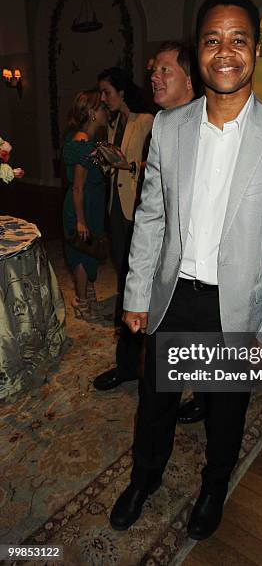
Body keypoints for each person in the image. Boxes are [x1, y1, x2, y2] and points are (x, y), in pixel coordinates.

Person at [109, 0, 262, 539]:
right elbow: (150, 217)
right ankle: (144, 479)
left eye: (238, 40)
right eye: (212, 40)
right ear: (199, 52)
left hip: (236, 308)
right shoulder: (169, 129)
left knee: (226, 413)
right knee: (155, 404)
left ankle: (213, 487)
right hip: (174, 298)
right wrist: (135, 296)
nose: (225, 52)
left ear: (256, 51)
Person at [93, 46, 196, 391]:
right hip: (137, 219)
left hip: (186, 249)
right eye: (154, 70)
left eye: (165, 70)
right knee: (131, 291)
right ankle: (128, 366)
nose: (154, 76)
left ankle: (200, 391)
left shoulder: (201, 125)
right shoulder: (159, 124)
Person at [92, 68, 154, 389]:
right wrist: (105, 160)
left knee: (134, 280)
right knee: (122, 275)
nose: (103, 98)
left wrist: (127, 165)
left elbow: (157, 165)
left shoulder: (147, 121)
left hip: (138, 210)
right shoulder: (114, 122)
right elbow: (115, 164)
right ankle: (129, 359)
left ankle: (131, 361)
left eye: (107, 92)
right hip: (116, 208)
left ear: (122, 91)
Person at [63, 90, 108, 320]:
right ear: (92, 113)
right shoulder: (81, 142)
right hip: (82, 205)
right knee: (81, 253)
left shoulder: (88, 140)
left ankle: (88, 297)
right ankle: (80, 303)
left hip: (91, 203)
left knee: (90, 251)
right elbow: (78, 187)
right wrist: (80, 220)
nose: (106, 111)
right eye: (102, 107)